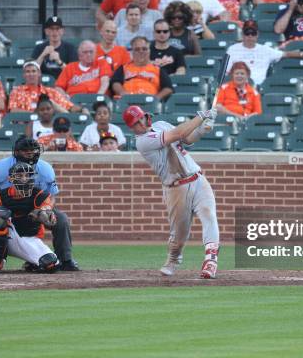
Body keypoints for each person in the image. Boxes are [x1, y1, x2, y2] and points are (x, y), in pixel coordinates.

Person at [0, 136, 80, 273]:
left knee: (61, 218)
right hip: (6, 205)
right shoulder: (0, 168)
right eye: (27, 151)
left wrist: (45, 209)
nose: (31, 154)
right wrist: (0, 209)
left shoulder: (45, 169)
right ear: (17, 152)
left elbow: (51, 196)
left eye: (33, 150)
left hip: (34, 206)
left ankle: (66, 260)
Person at [122, 104, 220, 278]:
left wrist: (203, 129)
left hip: (197, 178)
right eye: (136, 123)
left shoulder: (161, 125)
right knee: (179, 235)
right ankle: (173, 260)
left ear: (146, 116)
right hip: (176, 188)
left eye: (141, 119)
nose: (140, 123)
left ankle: (210, 262)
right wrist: (201, 116)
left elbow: (187, 139)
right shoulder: (143, 142)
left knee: (209, 215)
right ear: (132, 127)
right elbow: (178, 134)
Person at [0, 162, 62, 274]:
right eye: (20, 176)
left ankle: (32, 263)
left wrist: (44, 214)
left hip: (28, 237)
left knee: (51, 263)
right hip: (7, 238)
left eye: (27, 175)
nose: (24, 179)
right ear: (10, 178)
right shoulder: (2, 195)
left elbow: (46, 209)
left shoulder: (39, 194)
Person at [226, 20, 287, 86]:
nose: (250, 36)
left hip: (258, 88)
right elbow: (227, 72)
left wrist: (300, 54)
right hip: (238, 86)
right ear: (242, 34)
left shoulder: (265, 50)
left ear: (257, 34)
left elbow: (286, 54)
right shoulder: (232, 49)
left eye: (253, 33)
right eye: (247, 33)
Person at [8, 60, 81, 113]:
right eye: (28, 71)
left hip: (49, 126)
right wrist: (36, 114)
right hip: (24, 125)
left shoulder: (50, 92)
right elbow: (13, 110)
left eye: (34, 71)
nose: (31, 74)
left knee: (52, 102)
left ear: (39, 73)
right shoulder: (16, 91)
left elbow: (69, 106)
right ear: (24, 75)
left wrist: (82, 110)